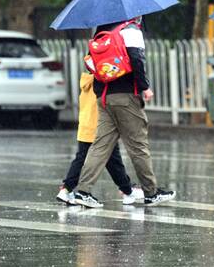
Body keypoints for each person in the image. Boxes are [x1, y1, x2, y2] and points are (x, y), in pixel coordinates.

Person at [73, 18, 175, 208]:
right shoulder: (131, 31)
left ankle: (82, 191)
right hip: (125, 96)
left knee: (100, 146)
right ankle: (151, 192)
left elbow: (91, 63)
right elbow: (137, 58)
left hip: (103, 97)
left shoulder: (101, 30)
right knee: (138, 145)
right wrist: (145, 87)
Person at [55, 72, 144, 205]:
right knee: (111, 160)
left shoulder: (86, 81)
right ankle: (127, 190)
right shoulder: (102, 82)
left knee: (96, 159)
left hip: (86, 126)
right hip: (101, 127)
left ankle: (66, 189)